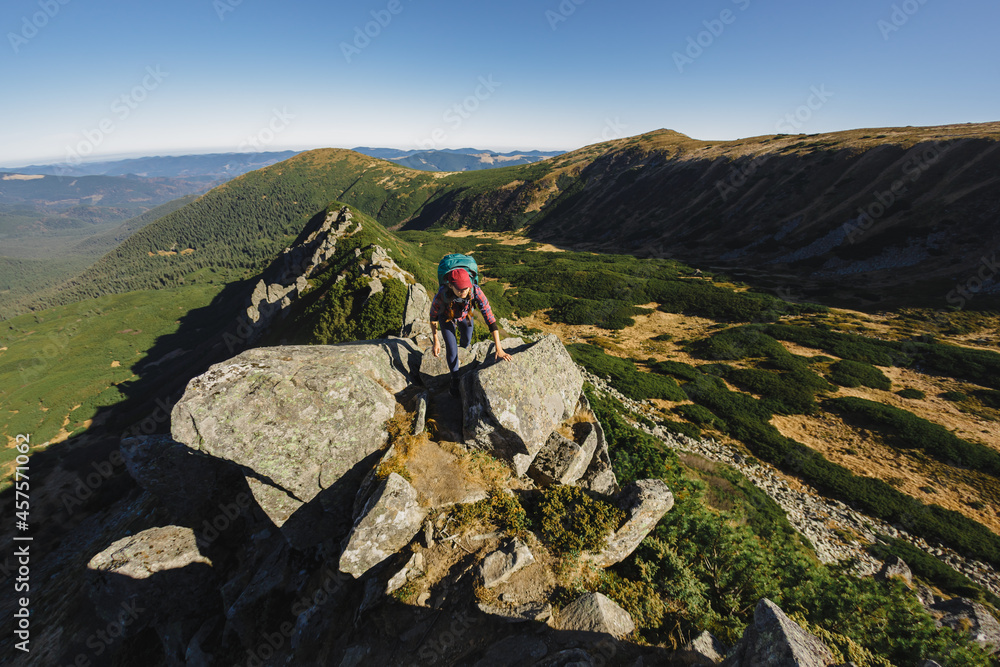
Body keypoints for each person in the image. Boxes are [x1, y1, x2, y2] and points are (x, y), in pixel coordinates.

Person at [429, 267, 513, 395]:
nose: (463, 291)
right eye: (459, 289)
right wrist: (436, 340)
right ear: (450, 285)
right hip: (447, 317)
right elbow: (433, 316)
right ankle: (455, 378)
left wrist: (499, 348)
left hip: (466, 315)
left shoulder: (475, 291)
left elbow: (490, 319)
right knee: (451, 349)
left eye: (466, 288)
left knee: (467, 338)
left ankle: (462, 351)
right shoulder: (443, 293)